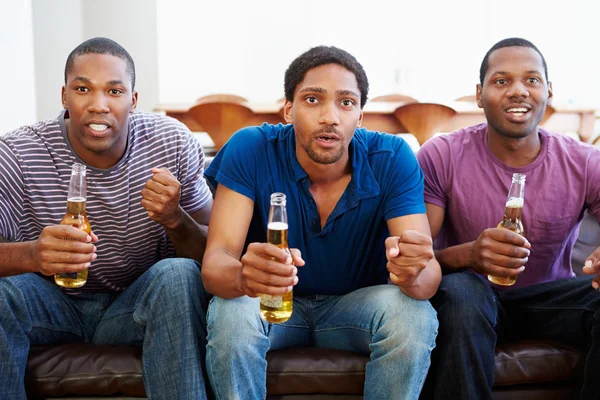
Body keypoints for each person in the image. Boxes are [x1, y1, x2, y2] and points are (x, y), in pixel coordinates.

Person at [201, 45, 441, 400]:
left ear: (360, 116)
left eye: (346, 103)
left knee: (414, 314)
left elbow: (427, 277)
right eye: (313, 100)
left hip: (358, 307)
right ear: (288, 109)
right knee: (231, 311)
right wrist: (242, 276)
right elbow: (215, 262)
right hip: (273, 303)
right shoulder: (250, 147)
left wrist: (413, 272)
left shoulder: (392, 157)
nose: (330, 116)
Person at [0, 37, 214, 399]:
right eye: (83, 89)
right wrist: (32, 255)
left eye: (114, 91)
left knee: (179, 274)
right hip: (51, 305)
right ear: (65, 96)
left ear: (132, 99)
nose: (98, 105)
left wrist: (176, 219)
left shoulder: (171, 143)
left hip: (134, 306)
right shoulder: (17, 153)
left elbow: (216, 251)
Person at [417, 37, 600, 400]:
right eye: (501, 81)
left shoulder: (583, 161)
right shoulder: (442, 155)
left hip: (548, 301)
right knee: (466, 291)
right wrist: (469, 256)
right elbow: (416, 260)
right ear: (479, 94)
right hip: (466, 301)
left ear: (548, 92)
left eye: (531, 80)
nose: (518, 91)